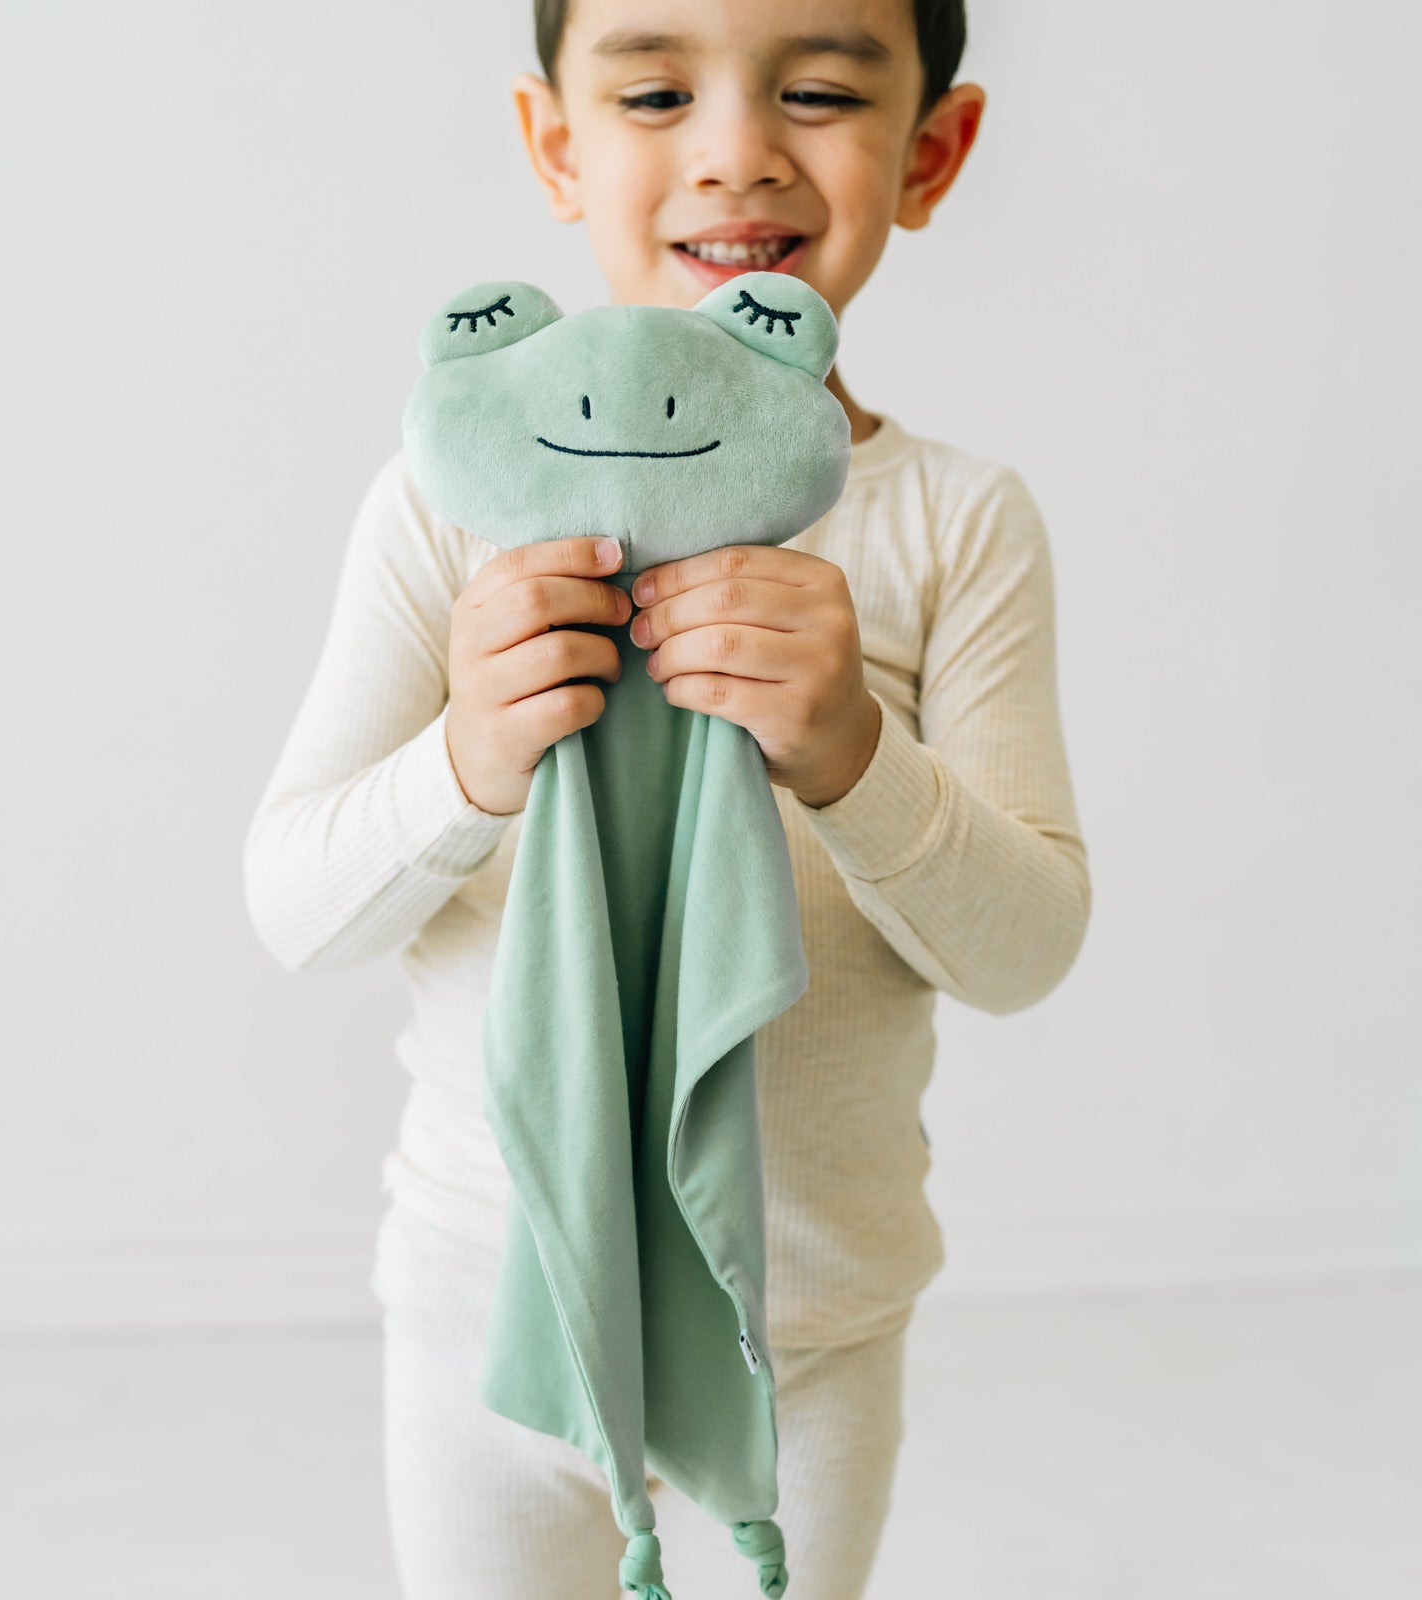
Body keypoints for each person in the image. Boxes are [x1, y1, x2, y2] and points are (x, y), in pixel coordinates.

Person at [243, 2, 1092, 1595]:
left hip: (810, 1329)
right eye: (652, 90)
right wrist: (468, 761)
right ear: (559, 145)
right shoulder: (449, 503)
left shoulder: (955, 525)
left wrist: (854, 755)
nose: (734, 150)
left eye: (822, 88)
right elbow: (293, 901)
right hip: (482, 1299)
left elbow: (1027, 947)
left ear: (934, 149)